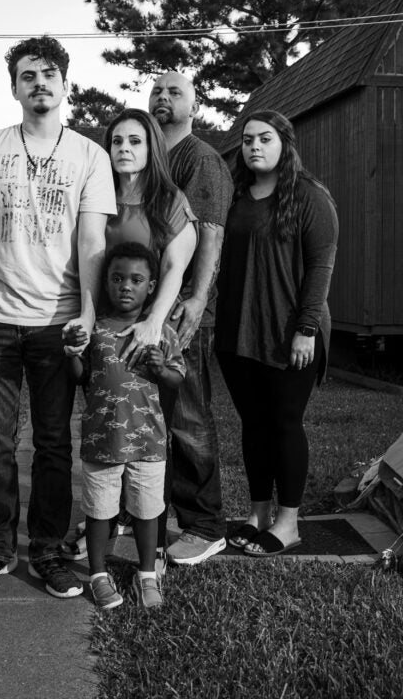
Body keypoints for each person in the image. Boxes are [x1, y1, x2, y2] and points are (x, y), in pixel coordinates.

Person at [0, 36, 116, 597]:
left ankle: (46, 551)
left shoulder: (90, 156)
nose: (39, 83)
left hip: (57, 322)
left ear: (64, 84)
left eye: (48, 74)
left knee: (53, 443)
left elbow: (93, 243)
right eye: (27, 75)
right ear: (14, 86)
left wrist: (89, 315)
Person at [60, 108, 197, 563]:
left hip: (149, 329)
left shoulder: (168, 199)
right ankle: (99, 522)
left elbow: (177, 266)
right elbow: (89, 257)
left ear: (150, 147)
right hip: (102, 330)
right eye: (117, 141)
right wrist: (86, 317)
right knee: (104, 431)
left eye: (135, 141)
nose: (124, 149)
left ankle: (150, 544)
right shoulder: (97, 194)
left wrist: (156, 322)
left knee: (153, 436)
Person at [215, 110, 338, 557]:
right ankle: (258, 514)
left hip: (290, 333)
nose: (254, 147)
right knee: (253, 425)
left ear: (284, 143)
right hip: (238, 332)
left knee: (285, 424)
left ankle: (288, 524)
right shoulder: (235, 197)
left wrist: (306, 329)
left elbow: (321, 267)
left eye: (265, 139)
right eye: (248, 140)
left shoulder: (308, 197)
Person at [64, 242, 185, 610]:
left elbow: (176, 379)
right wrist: (71, 351)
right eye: (117, 278)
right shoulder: (94, 328)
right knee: (100, 511)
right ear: (106, 282)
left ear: (151, 286)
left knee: (148, 511)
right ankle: (98, 574)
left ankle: (147, 573)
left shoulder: (160, 332)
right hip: (102, 441)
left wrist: (161, 365)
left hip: (148, 443)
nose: (126, 286)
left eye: (136, 279)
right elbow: (81, 377)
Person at [148, 72, 235, 566]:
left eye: (174, 92)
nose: (163, 97)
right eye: (157, 91)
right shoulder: (156, 157)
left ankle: (205, 524)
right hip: (152, 306)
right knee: (152, 416)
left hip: (183, 311)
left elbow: (210, 235)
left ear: (194, 106)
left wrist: (197, 300)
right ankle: (146, 511)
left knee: (188, 418)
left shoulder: (200, 159)